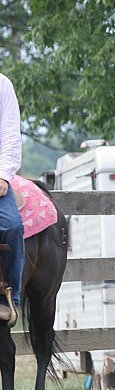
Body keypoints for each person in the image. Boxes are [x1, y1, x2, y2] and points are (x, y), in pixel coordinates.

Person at [0, 73, 25, 322]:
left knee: (12, 226)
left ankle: (9, 296)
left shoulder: (2, 85)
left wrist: (3, 175)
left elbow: (9, 136)